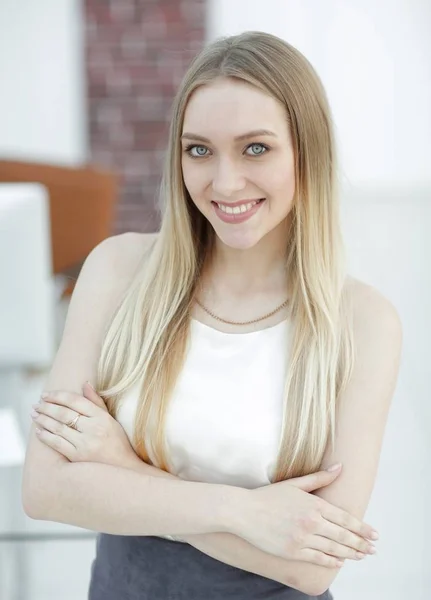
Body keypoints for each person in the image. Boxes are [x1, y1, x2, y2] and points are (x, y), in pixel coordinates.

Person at [22, 30, 402, 599]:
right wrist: (244, 512)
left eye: (256, 148)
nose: (225, 183)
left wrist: (120, 467)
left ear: (307, 151)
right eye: (199, 149)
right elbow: (47, 489)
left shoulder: (362, 322)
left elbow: (312, 566)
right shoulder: (119, 271)